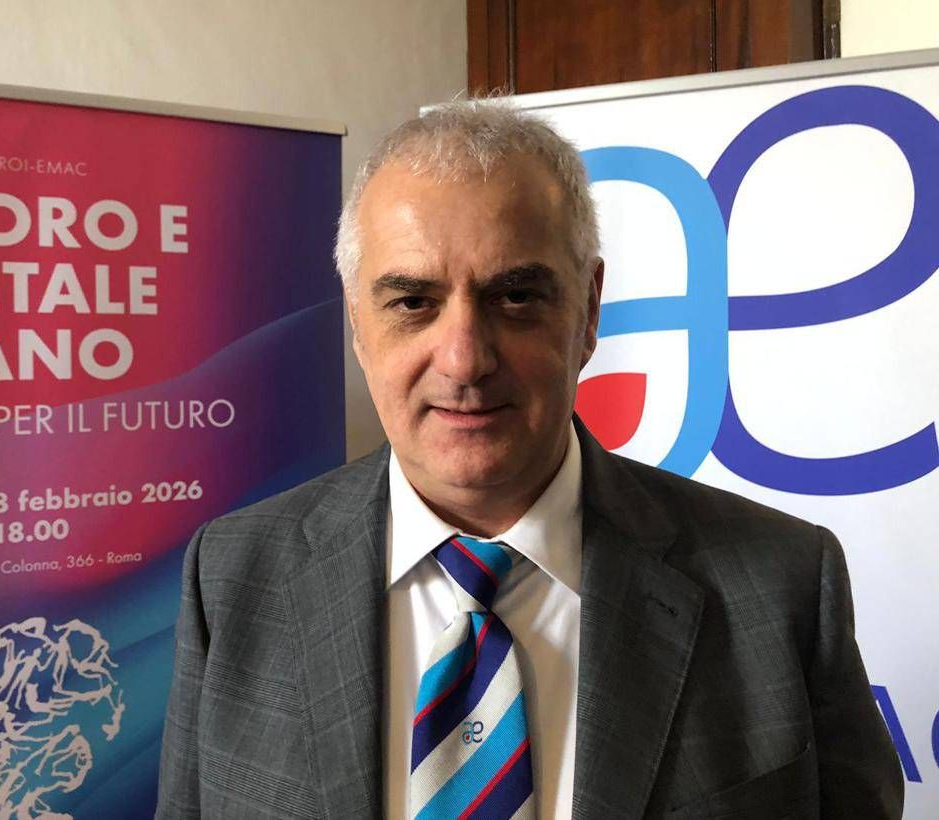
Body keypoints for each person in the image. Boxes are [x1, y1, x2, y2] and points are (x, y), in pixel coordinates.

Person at [156, 102, 904, 819]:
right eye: (412, 302)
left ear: (588, 310)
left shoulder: (780, 585)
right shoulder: (232, 577)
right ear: (357, 322)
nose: (464, 360)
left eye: (515, 297)